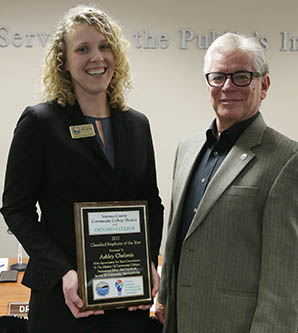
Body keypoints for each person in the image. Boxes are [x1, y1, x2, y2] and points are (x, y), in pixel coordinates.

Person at [1, 5, 164, 333]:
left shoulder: (137, 124)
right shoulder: (40, 122)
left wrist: (147, 263)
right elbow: (16, 208)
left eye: (105, 47)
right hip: (63, 301)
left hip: (126, 299)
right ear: (63, 60)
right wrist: (63, 271)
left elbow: (151, 201)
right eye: (83, 49)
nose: (97, 58)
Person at [156, 32, 298, 332]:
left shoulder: (287, 159)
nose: (228, 86)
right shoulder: (187, 149)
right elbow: (177, 233)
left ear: (264, 85)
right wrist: (165, 298)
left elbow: (283, 278)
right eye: (218, 77)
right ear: (208, 84)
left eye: (242, 76)